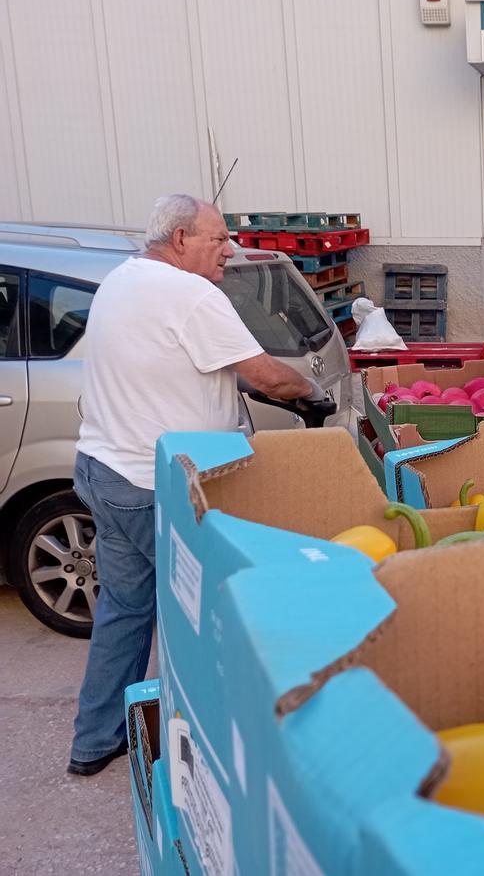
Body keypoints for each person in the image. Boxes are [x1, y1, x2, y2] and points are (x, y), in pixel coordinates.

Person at [67, 195, 321, 776]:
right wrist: (308, 390)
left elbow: (184, 365)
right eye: (218, 238)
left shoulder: (122, 280)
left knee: (126, 610)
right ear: (180, 238)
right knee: (208, 612)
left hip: (105, 469)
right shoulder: (191, 294)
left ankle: (96, 739)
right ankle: (217, 751)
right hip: (155, 484)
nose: (228, 249)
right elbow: (265, 374)